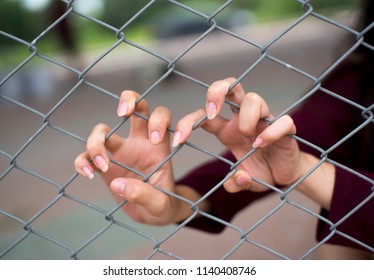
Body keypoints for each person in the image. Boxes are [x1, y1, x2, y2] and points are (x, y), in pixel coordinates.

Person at [74, 0, 373, 257]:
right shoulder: (360, 77)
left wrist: (304, 169)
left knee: (342, 248)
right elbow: (300, 135)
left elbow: (298, 157)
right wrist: (178, 200)